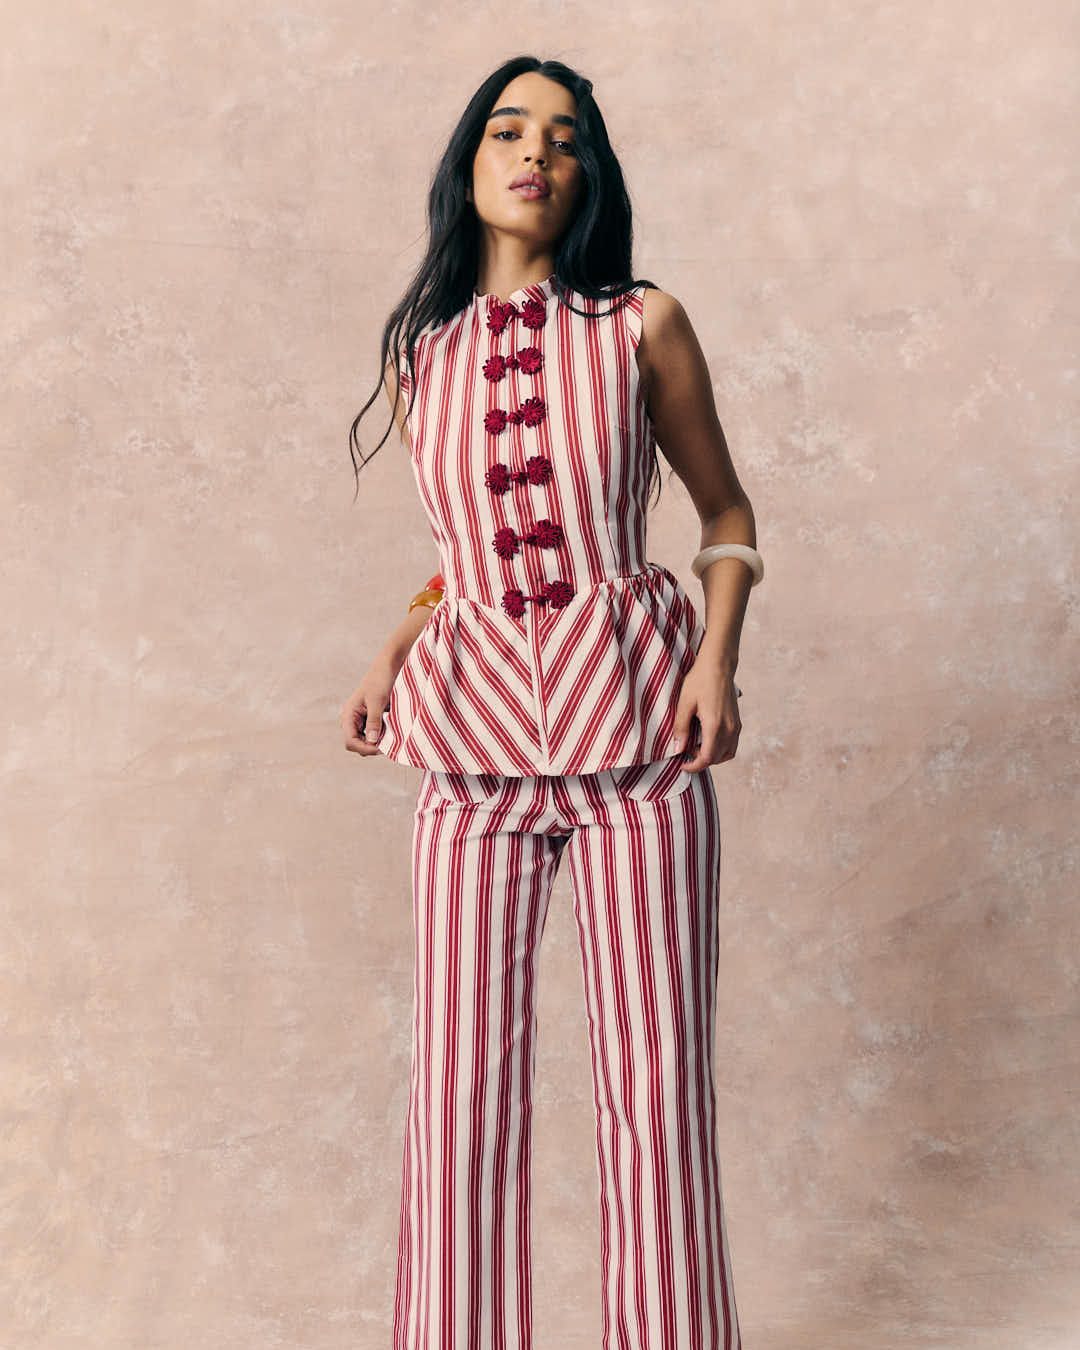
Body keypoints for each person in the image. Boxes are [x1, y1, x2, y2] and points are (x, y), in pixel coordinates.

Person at [342, 55, 761, 1350]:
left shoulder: (642, 325)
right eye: (509, 129)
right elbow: (464, 557)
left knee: (655, 1089)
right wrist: (392, 649)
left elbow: (726, 514)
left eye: (565, 138)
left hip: (640, 739)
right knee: (458, 1090)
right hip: (468, 749)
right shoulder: (421, 357)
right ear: (468, 163)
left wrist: (716, 662)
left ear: (589, 177)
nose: (536, 152)